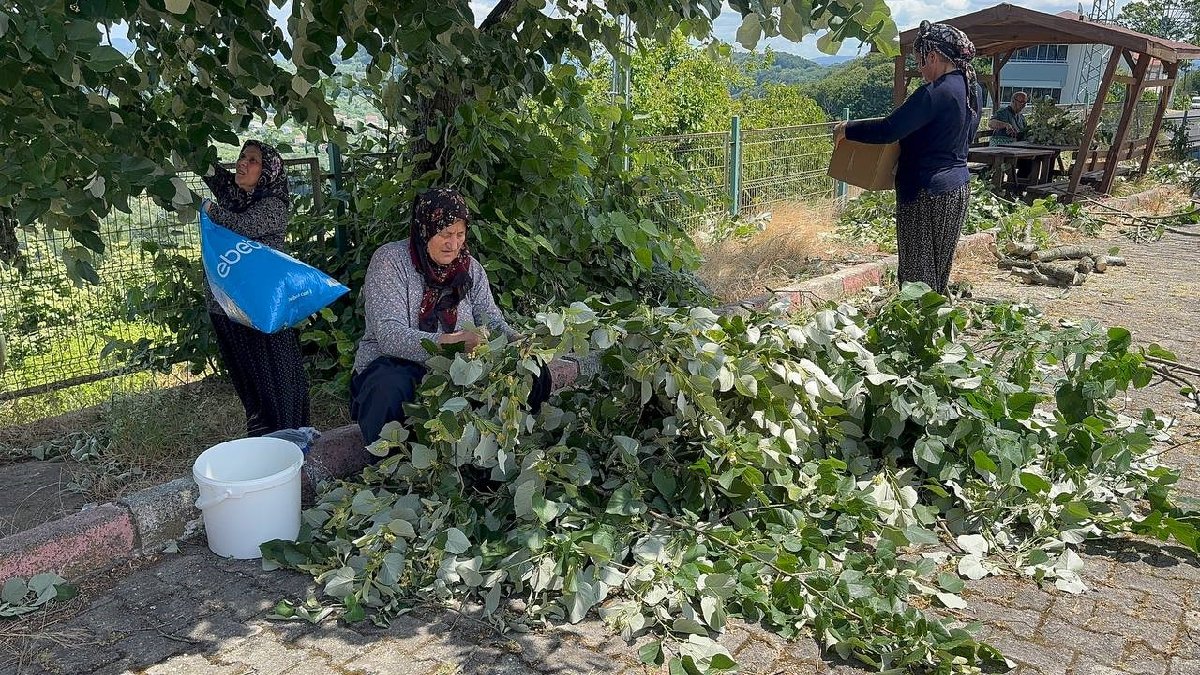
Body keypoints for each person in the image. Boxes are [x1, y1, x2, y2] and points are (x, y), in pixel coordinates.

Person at [350, 186, 551, 449]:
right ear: (425, 230)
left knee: (533, 368)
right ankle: (389, 466)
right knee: (389, 388)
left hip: (457, 369)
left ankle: (512, 444)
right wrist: (451, 342)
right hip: (395, 364)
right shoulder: (390, 261)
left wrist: (517, 340)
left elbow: (491, 320)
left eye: (459, 234)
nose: (453, 244)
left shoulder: (470, 269)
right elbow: (389, 336)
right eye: (444, 234)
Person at [834, 21, 980, 295]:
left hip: (925, 191)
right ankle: (936, 327)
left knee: (917, 277)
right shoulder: (971, 89)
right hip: (957, 188)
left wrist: (847, 129)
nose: (921, 69)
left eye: (921, 61)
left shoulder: (935, 93)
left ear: (933, 56)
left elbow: (890, 129)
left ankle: (919, 333)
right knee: (938, 271)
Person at [201, 140, 310, 436]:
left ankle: (288, 439)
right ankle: (262, 438)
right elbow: (209, 170)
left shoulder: (273, 206)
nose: (243, 164)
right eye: (241, 157)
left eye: (253, 160)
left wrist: (208, 209)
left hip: (263, 309)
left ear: (267, 172)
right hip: (228, 308)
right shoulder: (236, 198)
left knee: (274, 378)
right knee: (247, 378)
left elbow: (243, 227)